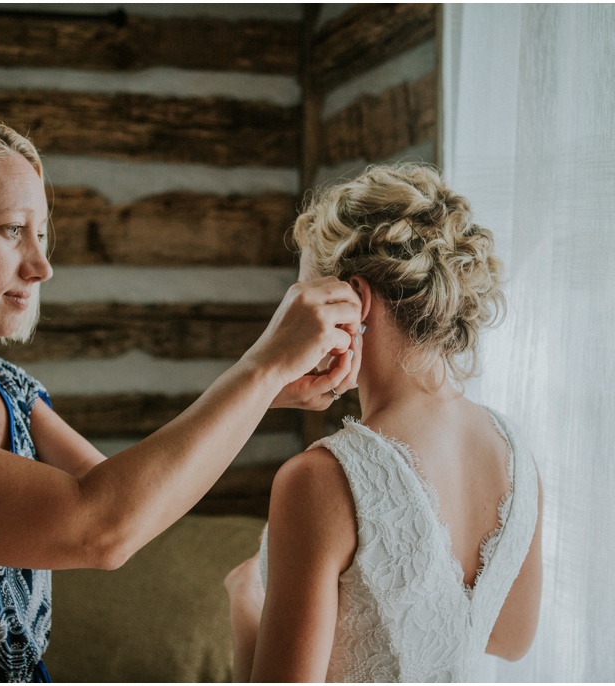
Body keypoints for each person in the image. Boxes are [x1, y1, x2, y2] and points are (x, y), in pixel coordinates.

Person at [0, 109, 365, 682]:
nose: (42, 265)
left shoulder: (8, 389)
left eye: (42, 235)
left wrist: (265, 393)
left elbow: (137, 508)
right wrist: (259, 369)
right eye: (12, 231)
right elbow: (100, 525)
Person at [223, 163, 543, 681]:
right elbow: (511, 638)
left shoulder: (322, 480)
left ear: (354, 301)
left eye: (301, 299)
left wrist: (243, 603)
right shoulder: (514, 452)